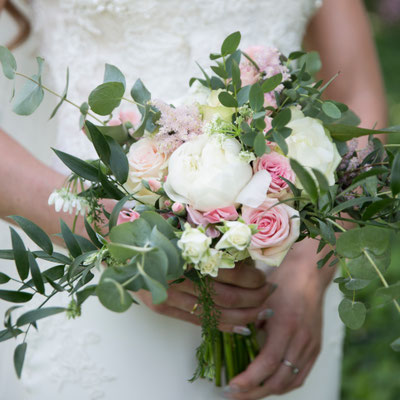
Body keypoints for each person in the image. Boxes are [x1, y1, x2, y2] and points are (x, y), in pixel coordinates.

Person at [0, 0, 387, 399]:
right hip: (106, 285)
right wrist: (109, 229)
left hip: (287, 297)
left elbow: (357, 95)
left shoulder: (304, 278)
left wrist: (309, 270)